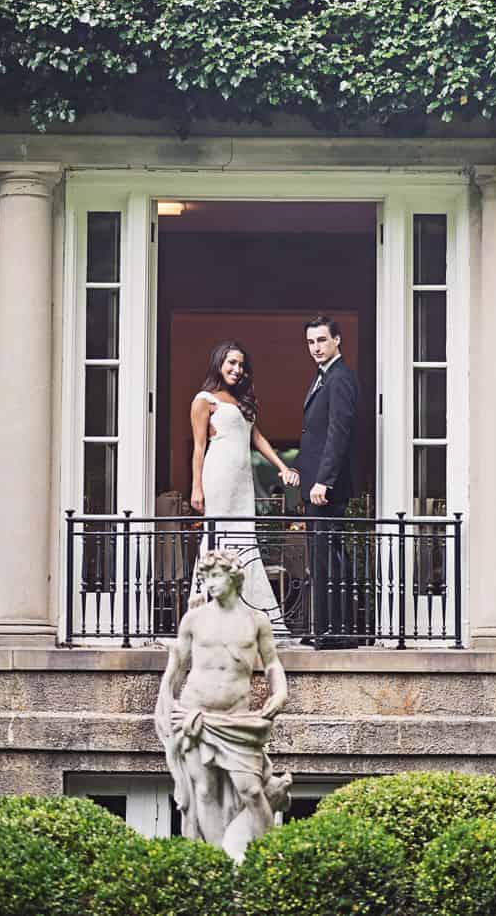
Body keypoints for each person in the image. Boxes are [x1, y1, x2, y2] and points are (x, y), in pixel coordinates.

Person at [153, 549, 292, 862]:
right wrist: (170, 704)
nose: (210, 583)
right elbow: (180, 665)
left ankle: (272, 861)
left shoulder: (256, 621)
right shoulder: (194, 619)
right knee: (203, 790)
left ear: (235, 576)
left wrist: (280, 691)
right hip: (195, 714)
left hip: (237, 720)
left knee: (252, 791)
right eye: (205, 578)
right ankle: (221, 864)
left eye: (216, 576)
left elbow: (272, 663)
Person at [189, 340, 298, 619]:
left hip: (242, 481)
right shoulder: (204, 400)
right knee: (217, 538)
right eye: (231, 363)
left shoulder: (241, 402)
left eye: (241, 365)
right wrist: (196, 488)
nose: (237, 369)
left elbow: (257, 437)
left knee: (246, 540)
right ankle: (208, 611)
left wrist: (282, 467)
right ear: (219, 363)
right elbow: (199, 447)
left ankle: (251, 614)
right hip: (218, 477)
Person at [298, 315, 361, 648]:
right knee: (321, 558)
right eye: (310, 342)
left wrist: (323, 481)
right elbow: (315, 435)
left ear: (337, 340)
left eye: (321, 340)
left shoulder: (340, 378)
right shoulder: (322, 377)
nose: (316, 348)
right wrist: (297, 470)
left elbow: (339, 432)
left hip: (327, 489)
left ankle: (337, 630)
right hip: (315, 485)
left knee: (330, 558)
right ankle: (322, 626)